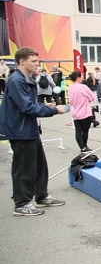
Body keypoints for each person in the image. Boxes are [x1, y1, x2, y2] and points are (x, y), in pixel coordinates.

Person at [0, 47, 70, 216]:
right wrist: (55, 110)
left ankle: (41, 196)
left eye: (37, 61)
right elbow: (26, 107)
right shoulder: (16, 80)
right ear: (21, 61)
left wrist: (45, 106)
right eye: (33, 61)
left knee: (39, 165)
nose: (37, 64)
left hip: (29, 129)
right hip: (20, 131)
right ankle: (22, 204)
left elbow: (30, 104)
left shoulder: (28, 79)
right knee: (24, 168)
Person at [67, 71, 96, 152]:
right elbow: (92, 97)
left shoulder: (70, 87)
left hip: (75, 112)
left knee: (78, 130)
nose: (82, 78)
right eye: (81, 76)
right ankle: (85, 146)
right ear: (78, 78)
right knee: (85, 130)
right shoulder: (83, 87)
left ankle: (82, 147)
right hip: (85, 112)